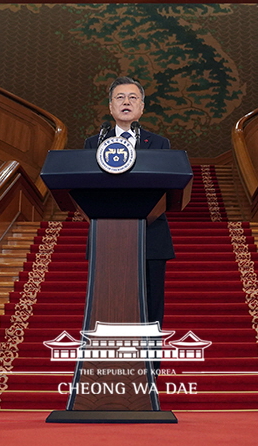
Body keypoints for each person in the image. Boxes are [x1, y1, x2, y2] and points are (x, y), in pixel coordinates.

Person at [84, 76, 173, 327]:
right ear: (111, 107)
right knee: (108, 307)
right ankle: (111, 364)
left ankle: (150, 365)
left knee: (151, 308)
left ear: (142, 108)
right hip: (107, 237)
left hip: (151, 236)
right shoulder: (93, 144)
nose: (126, 102)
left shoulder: (159, 144)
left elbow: (169, 189)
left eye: (133, 98)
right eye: (120, 98)